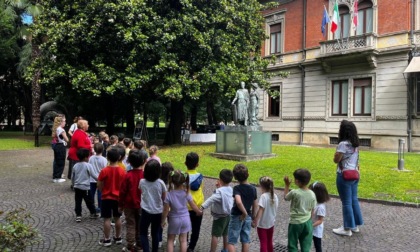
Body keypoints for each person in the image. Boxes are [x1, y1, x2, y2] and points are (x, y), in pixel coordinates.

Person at [333, 120, 364, 236]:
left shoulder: (343, 144)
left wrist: (336, 153)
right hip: (355, 174)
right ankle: (355, 225)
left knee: (346, 202)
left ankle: (347, 228)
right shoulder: (355, 144)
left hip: (344, 175)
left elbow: (336, 160)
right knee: (353, 199)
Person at [161, 170, 202, 252]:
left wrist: (162, 221)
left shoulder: (169, 194)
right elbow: (193, 205)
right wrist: (198, 212)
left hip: (174, 219)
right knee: (183, 240)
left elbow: (165, 210)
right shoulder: (186, 193)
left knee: (170, 240)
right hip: (185, 219)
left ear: (172, 181)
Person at [119, 149, 148, 252]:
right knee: (140, 225)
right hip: (142, 205)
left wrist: (120, 205)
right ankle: (140, 244)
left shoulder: (127, 176)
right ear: (144, 161)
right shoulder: (145, 175)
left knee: (130, 224)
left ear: (129, 162)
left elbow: (122, 192)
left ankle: (130, 245)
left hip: (129, 204)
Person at [97, 147, 127, 247]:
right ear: (119, 157)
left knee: (107, 219)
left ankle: (107, 239)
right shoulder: (122, 171)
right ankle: (118, 237)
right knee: (118, 218)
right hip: (118, 198)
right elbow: (124, 186)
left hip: (106, 197)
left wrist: (103, 191)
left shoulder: (104, 171)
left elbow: (99, 184)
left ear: (108, 158)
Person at [283, 169, 316, 252]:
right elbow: (313, 209)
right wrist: (309, 221)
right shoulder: (312, 194)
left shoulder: (295, 192)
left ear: (297, 181)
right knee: (306, 245)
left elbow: (286, 197)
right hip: (307, 223)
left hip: (295, 223)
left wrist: (287, 185)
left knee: (292, 245)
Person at [201, 169, 234, 252]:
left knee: (215, 235)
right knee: (225, 233)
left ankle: (212, 250)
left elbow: (211, 199)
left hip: (219, 217)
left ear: (220, 179)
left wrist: (202, 207)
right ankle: (225, 249)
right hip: (228, 215)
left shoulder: (219, 192)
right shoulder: (230, 189)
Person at [227, 164, 257, 252]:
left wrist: (244, 213)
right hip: (248, 218)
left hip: (237, 216)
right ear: (248, 174)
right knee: (245, 240)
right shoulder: (253, 188)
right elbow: (255, 204)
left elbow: (238, 202)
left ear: (235, 178)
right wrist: (253, 217)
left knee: (231, 242)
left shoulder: (237, 188)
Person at [139, 159, 167, 252]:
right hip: (158, 212)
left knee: (143, 233)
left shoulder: (142, 182)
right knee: (155, 233)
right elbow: (164, 198)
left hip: (145, 211)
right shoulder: (161, 183)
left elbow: (141, 191)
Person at [71, 148, 99, 222]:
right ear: (86, 157)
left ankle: (78, 215)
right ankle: (93, 212)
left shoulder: (75, 166)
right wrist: (99, 180)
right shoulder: (88, 165)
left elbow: (72, 177)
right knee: (89, 201)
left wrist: (73, 184)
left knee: (78, 201)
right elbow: (94, 175)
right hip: (86, 187)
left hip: (77, 186)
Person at [252, 176, 278, 252]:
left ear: (262, 186)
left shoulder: (264, 197)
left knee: (263, 243)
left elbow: (260, 211)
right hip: (271, 224)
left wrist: (255, 222)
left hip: (262, 225)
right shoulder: (275, 196)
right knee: (269, 241)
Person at [185, 152, 204, 252]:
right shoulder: (200, 177)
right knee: (196, 229)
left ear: (185, 163)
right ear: (197, 164)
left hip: (185, 207)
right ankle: (191, 247)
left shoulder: (183, 176)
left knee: (185, 229)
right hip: (198, 207)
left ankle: (184, 242)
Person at [309, 181, 330, 252]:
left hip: (316, 230)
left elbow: (320, 220)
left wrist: (311, 226)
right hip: (310, 227)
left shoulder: (320, 207)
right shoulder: (314, 202)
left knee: (317, 246)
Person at [159, 162, 175, 247]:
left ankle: (159, 240)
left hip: (161, 207)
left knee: (160, 223)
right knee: (171, 223)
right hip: (172, 208)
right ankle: (172, 239)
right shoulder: (173, 184)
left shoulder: (160, 183)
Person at [88, 143, 108, 213]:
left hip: (92, 179)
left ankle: (92, 207)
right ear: (103, 150)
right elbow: (105, 169)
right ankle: (100, 207)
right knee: (100, 194)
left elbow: (89, 167)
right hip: (101, 179)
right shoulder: (104, 159)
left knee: (91, 194)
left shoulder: (91, 158)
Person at [51, 115, 68, 183]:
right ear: (60, 122)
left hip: (57, 146)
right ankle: (57, 177)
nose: (65, 123)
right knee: (61, 161)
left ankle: (56, 175)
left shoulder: (56, 128)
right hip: (60, 146)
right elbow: (67, 139)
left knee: (57, 161)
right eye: (64, 121)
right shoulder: (61, 130)